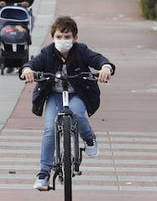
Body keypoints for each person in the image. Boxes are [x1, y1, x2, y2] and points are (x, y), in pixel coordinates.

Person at [20, 16, 114, 191]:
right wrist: (27, 70)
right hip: (54, 95)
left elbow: (98, 59)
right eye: (59, 37)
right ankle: (44, 172)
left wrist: (105, 68)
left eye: (67, 37)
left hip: (77, 94)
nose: (63, 41)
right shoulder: (47, 53)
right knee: (49, 128)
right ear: (52, 38)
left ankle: (89, 138)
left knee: (77, 114)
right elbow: (33, 64)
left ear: (75, 38)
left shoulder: (81, 51)